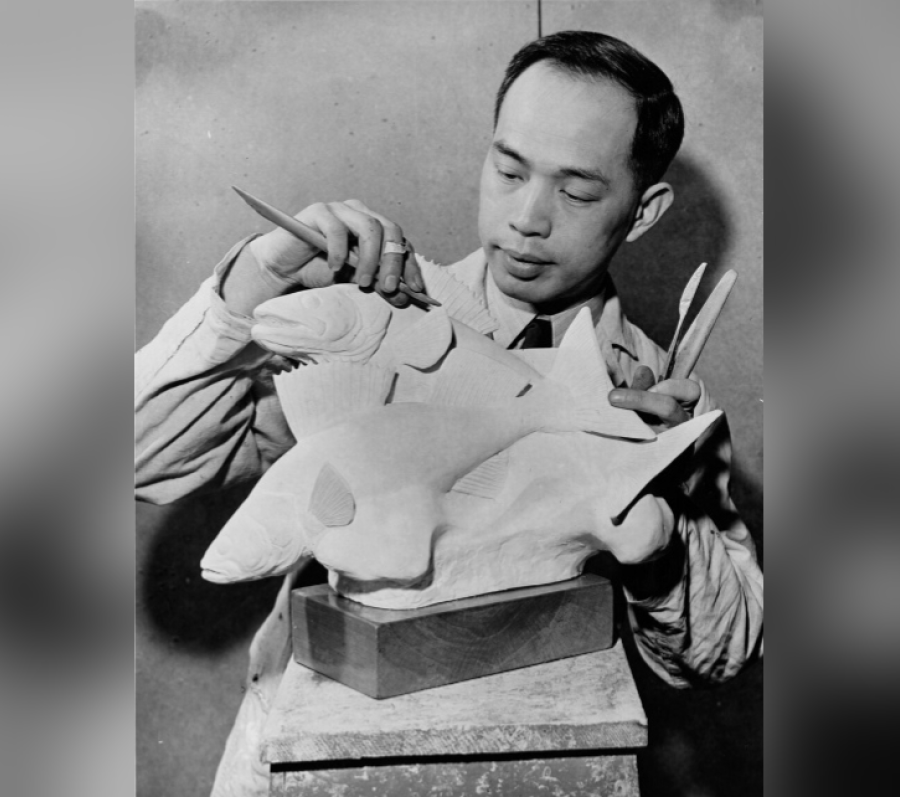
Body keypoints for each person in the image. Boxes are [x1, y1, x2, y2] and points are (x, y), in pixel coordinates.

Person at [136, 31, 763, 797]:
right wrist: (253, 283)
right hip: (320, 766)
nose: (527, 216)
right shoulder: (369, 326)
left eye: (576, 191)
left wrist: (661, 527)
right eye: (507, 168)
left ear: (641, 210)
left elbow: (716, 656)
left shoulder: (661, 400)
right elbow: (134, 460)